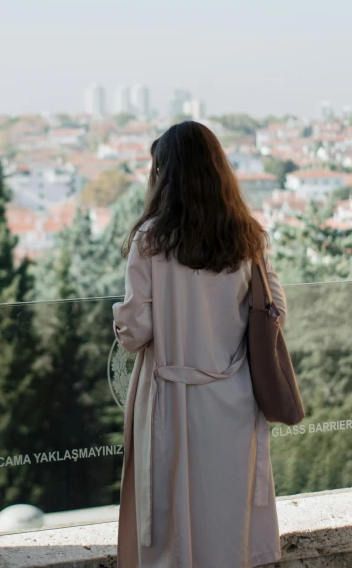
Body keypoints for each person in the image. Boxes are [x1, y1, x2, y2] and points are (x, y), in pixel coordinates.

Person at [113, 121, 286, 568]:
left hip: (173, 400)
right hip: (235, 395)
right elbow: (274, 309)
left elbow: (133, 333)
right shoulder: (246, 234)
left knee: (175, 527)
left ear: (164, 174)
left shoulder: (150, 238)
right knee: (228, 523)